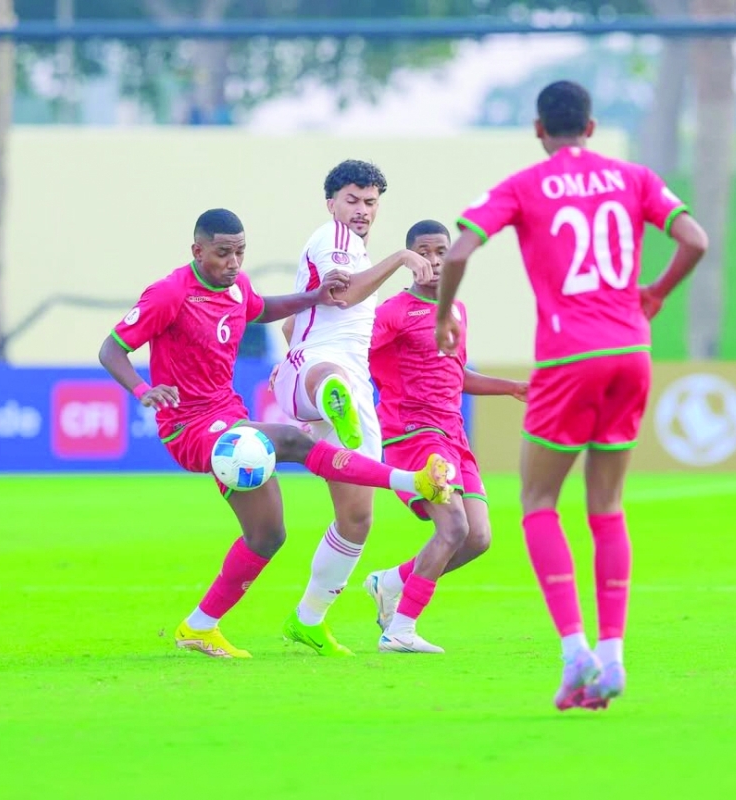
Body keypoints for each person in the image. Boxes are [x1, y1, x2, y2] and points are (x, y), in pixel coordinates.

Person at [434, 81, 709, 709]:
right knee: (607, 508)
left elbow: (458, 250)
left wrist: (444, 314)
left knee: (537, 503)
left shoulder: (524, 185)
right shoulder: (633, 176)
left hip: (569, 354)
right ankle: (613, 657)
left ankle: (574, 652)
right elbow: (695, 240)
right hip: (631, 352)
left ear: (539, 130)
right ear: (590, 125)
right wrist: (658, 291)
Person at [98, 208, 453, 660]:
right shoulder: (170, 293)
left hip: (227, 415)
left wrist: (314, 296)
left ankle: (199, 626)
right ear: (197, 250)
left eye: (240, 252)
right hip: (189, 427)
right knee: (293, 441)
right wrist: (143, 389)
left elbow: (262, 309)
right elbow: (112, 348)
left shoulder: (236, 287)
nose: (233, 262)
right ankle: (410, 480)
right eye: (223, 253)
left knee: (268, 534)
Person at [271, 160, 434, 656]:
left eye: (370, 202)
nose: (361, 211)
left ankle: (309, 619)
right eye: (352, 200)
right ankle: (329, 393)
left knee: (358, 517)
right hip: (319, 369)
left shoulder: (349, 246)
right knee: (332, 371)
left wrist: (297, 342)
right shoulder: (335, 239)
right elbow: (343, 297)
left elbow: (298, 321)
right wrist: (403, 257)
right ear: (331, 203)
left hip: (321, 376)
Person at [364, 220, 527, 654]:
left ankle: (392, 580)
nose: (434, 262)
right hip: (413, 434)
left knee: (478, 538)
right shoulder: (393, 313)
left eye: (441, 252)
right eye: (424, 252)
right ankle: (400, 629)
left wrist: (510, 387)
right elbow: (351, 353)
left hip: (453, 437)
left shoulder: (457, 311)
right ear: (410, 258)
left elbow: (457, 375)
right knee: (452, 527)